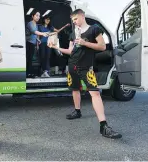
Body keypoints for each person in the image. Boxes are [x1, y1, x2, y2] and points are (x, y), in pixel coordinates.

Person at [49, 9, 122, 139]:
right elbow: (70, 51)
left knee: (95, 93)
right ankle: (77, 111)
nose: (74, 22)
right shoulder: (73, 34)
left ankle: (103, 126)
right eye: (73, 20)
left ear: (82, 16)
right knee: (75, 89)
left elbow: (102, 47)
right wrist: (56, 48)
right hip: (72, 66)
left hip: (86, 68)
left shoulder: (94, 29)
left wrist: (85, 43)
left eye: (76, 19)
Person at [26, 10, 48, 78]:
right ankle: (27, 74)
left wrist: (38, 39)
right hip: (28, 43)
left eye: (39, 16)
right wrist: (43, 34)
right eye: (36, 15)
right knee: (28, 58)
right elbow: (34, 32)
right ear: (32, 16)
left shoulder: (35, 24)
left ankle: (29, 73)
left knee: (30, 59)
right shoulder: (30, 23)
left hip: (33, 43)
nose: (38, 17)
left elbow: (33, 35)